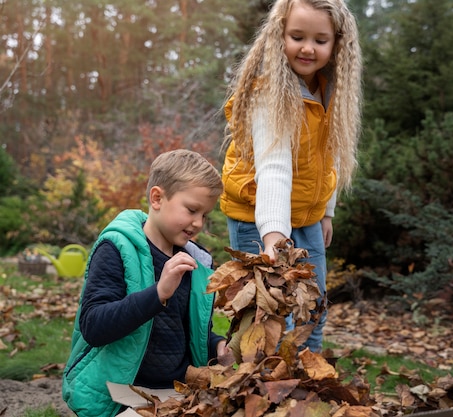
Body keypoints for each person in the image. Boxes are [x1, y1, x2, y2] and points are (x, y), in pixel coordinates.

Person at [220, 0, 362, 352]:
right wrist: (273, 239)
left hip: (307, 218)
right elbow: (274, 169)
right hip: (259, 215)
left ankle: (306, 386)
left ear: (337, 43)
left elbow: (333, 154)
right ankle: (258, 391)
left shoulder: (333, 91)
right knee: (266, 313)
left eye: (320, 39)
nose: (308, 48)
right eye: (297, 36)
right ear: (279, 35)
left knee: (313, 307)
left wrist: (327, 210)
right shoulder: (270, 94)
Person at [62, 149, 229, 417]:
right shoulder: (117, 248)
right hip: (119, 393)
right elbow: (93, 326)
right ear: (157, 198)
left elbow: (184, 330)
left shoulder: (195, 262)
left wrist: (217, 346)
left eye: (205, 215)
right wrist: (158, 294)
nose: (198, 223)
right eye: (192, 210)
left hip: (175, 393)